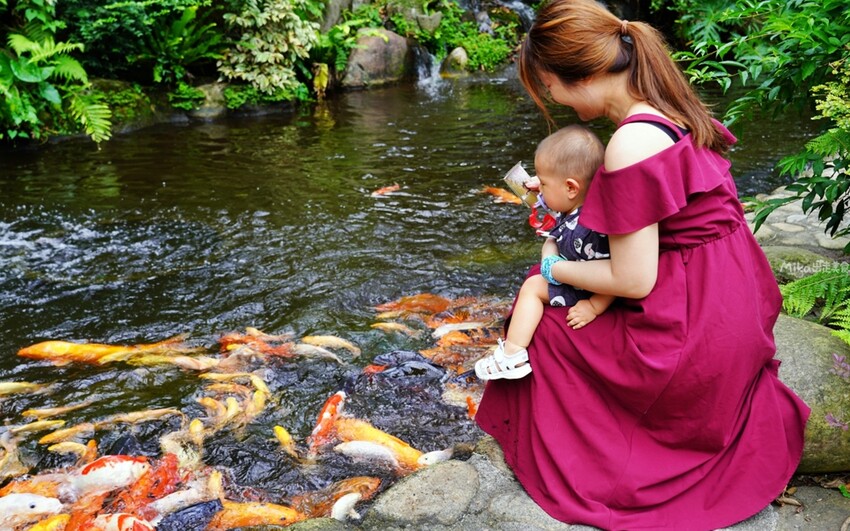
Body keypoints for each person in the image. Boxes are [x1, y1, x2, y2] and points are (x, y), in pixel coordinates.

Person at [474, 1, 810, 529]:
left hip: (694, 332)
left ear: (577, 76)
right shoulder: (666, 109)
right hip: (731, 299)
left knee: (536, 313)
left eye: (548, 87)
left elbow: (633, 279)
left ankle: (601, 456)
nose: (552, 101)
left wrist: (552, 272)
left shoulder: (629, 142)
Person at [475, 125, 614, 381]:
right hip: (572, 269)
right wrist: (545, 192)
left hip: (586, 288)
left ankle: (512, 354)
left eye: (545, 184)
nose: (541, 188)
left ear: (571, 188)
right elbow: (557, 214)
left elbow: (611, 270)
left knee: (533, 288)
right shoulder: (577, 204)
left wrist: (594, 306)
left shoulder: (590, 230)